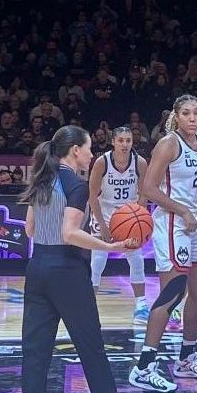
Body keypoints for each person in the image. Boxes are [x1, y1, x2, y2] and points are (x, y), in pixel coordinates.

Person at [18, 125, 145, 393]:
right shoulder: (75, 184)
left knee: (35, 352)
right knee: (90, 345)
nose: (91, 154)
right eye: (88, 149)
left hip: (37, 268)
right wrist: (112, 247)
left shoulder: (41, 179)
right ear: (75, 150)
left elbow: (30, 229)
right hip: (67, 269)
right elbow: (70, 233)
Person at [128, 95, 197, 393]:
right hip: (171, 222)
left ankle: (186, 357)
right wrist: (182, 210)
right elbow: (149, 189)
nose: (193, 118)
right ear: (176, 117)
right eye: (187, 114)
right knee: (173, 293)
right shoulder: (169, 143)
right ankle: (144, 367)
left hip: (192, 221)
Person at [88, 126, 149, 324]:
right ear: (113, 141)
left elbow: (144, 194)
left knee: (136, 259)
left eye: (128, 140)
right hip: (104, 215)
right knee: (98, 261)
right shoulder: (101, 162)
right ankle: (88, 304)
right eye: (121, 140)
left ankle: (141, 306)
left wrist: (138, 219)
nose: (125, 144)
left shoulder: (140, 162)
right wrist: (103, 227)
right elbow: (92, 196)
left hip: (129, 217)